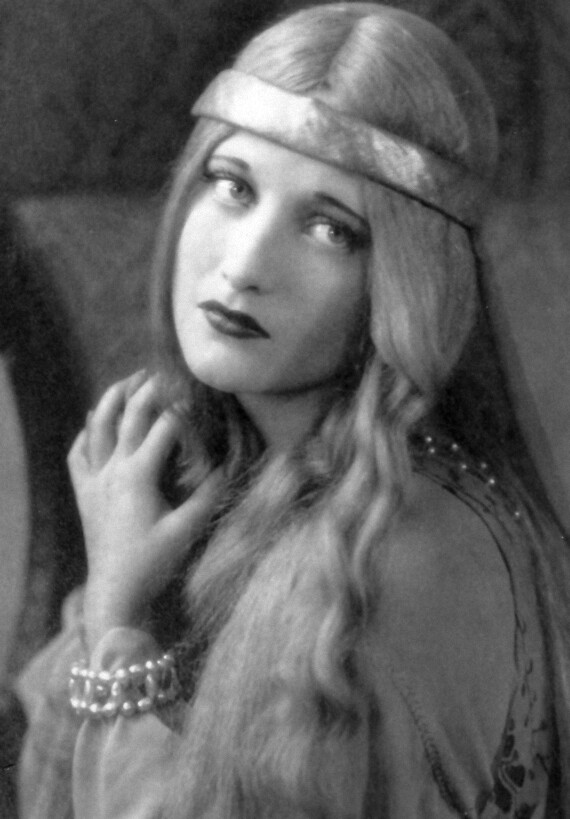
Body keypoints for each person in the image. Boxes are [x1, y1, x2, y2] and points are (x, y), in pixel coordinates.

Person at [16, 3, 570, 817]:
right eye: (233, 186)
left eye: (328, 229)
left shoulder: (405, 552)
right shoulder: (206, 475)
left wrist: (118, 621)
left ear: (404, 283)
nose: (245, 264)